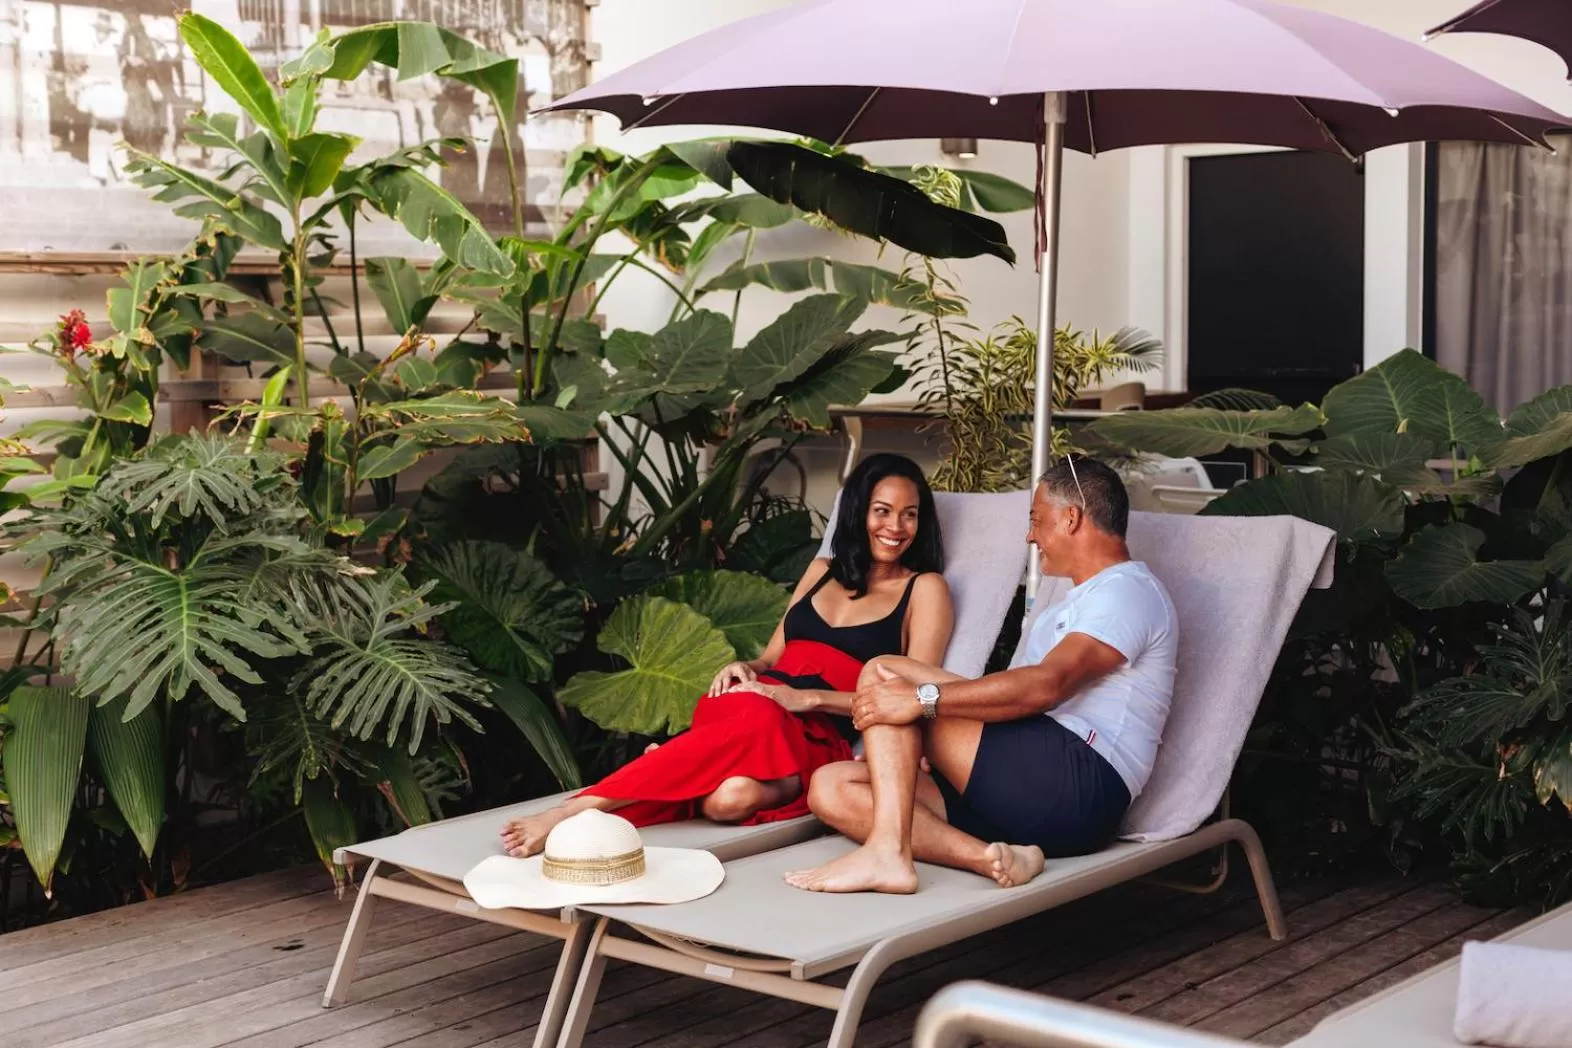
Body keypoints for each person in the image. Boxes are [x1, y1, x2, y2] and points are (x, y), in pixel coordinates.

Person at [500, 453, 955, 858]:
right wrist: (747, 667)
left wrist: (809, 700)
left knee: (729, 798)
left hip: (818, 726)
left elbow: (911, 696)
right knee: (733, 785)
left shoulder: (924, 589)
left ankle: (604, 796)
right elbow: (773, 655)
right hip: (755, 701)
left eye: (909, 515)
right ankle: (621, 791)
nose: (895, 527)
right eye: (882, 511)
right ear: (858, 514)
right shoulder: (821, 571)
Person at [783, 456, 1177, 895]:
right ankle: (992, 858)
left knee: (891, 681)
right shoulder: (1068, 603)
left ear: (1071, 518)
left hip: (1078, 784)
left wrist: (923, 704)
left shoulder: (1125, 591)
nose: (1031, 536)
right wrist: (923, 735)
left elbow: (1046, 686)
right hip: (1022, 788)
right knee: (832, 787)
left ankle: (889, 852)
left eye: (1036, 521)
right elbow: (1011, 702)